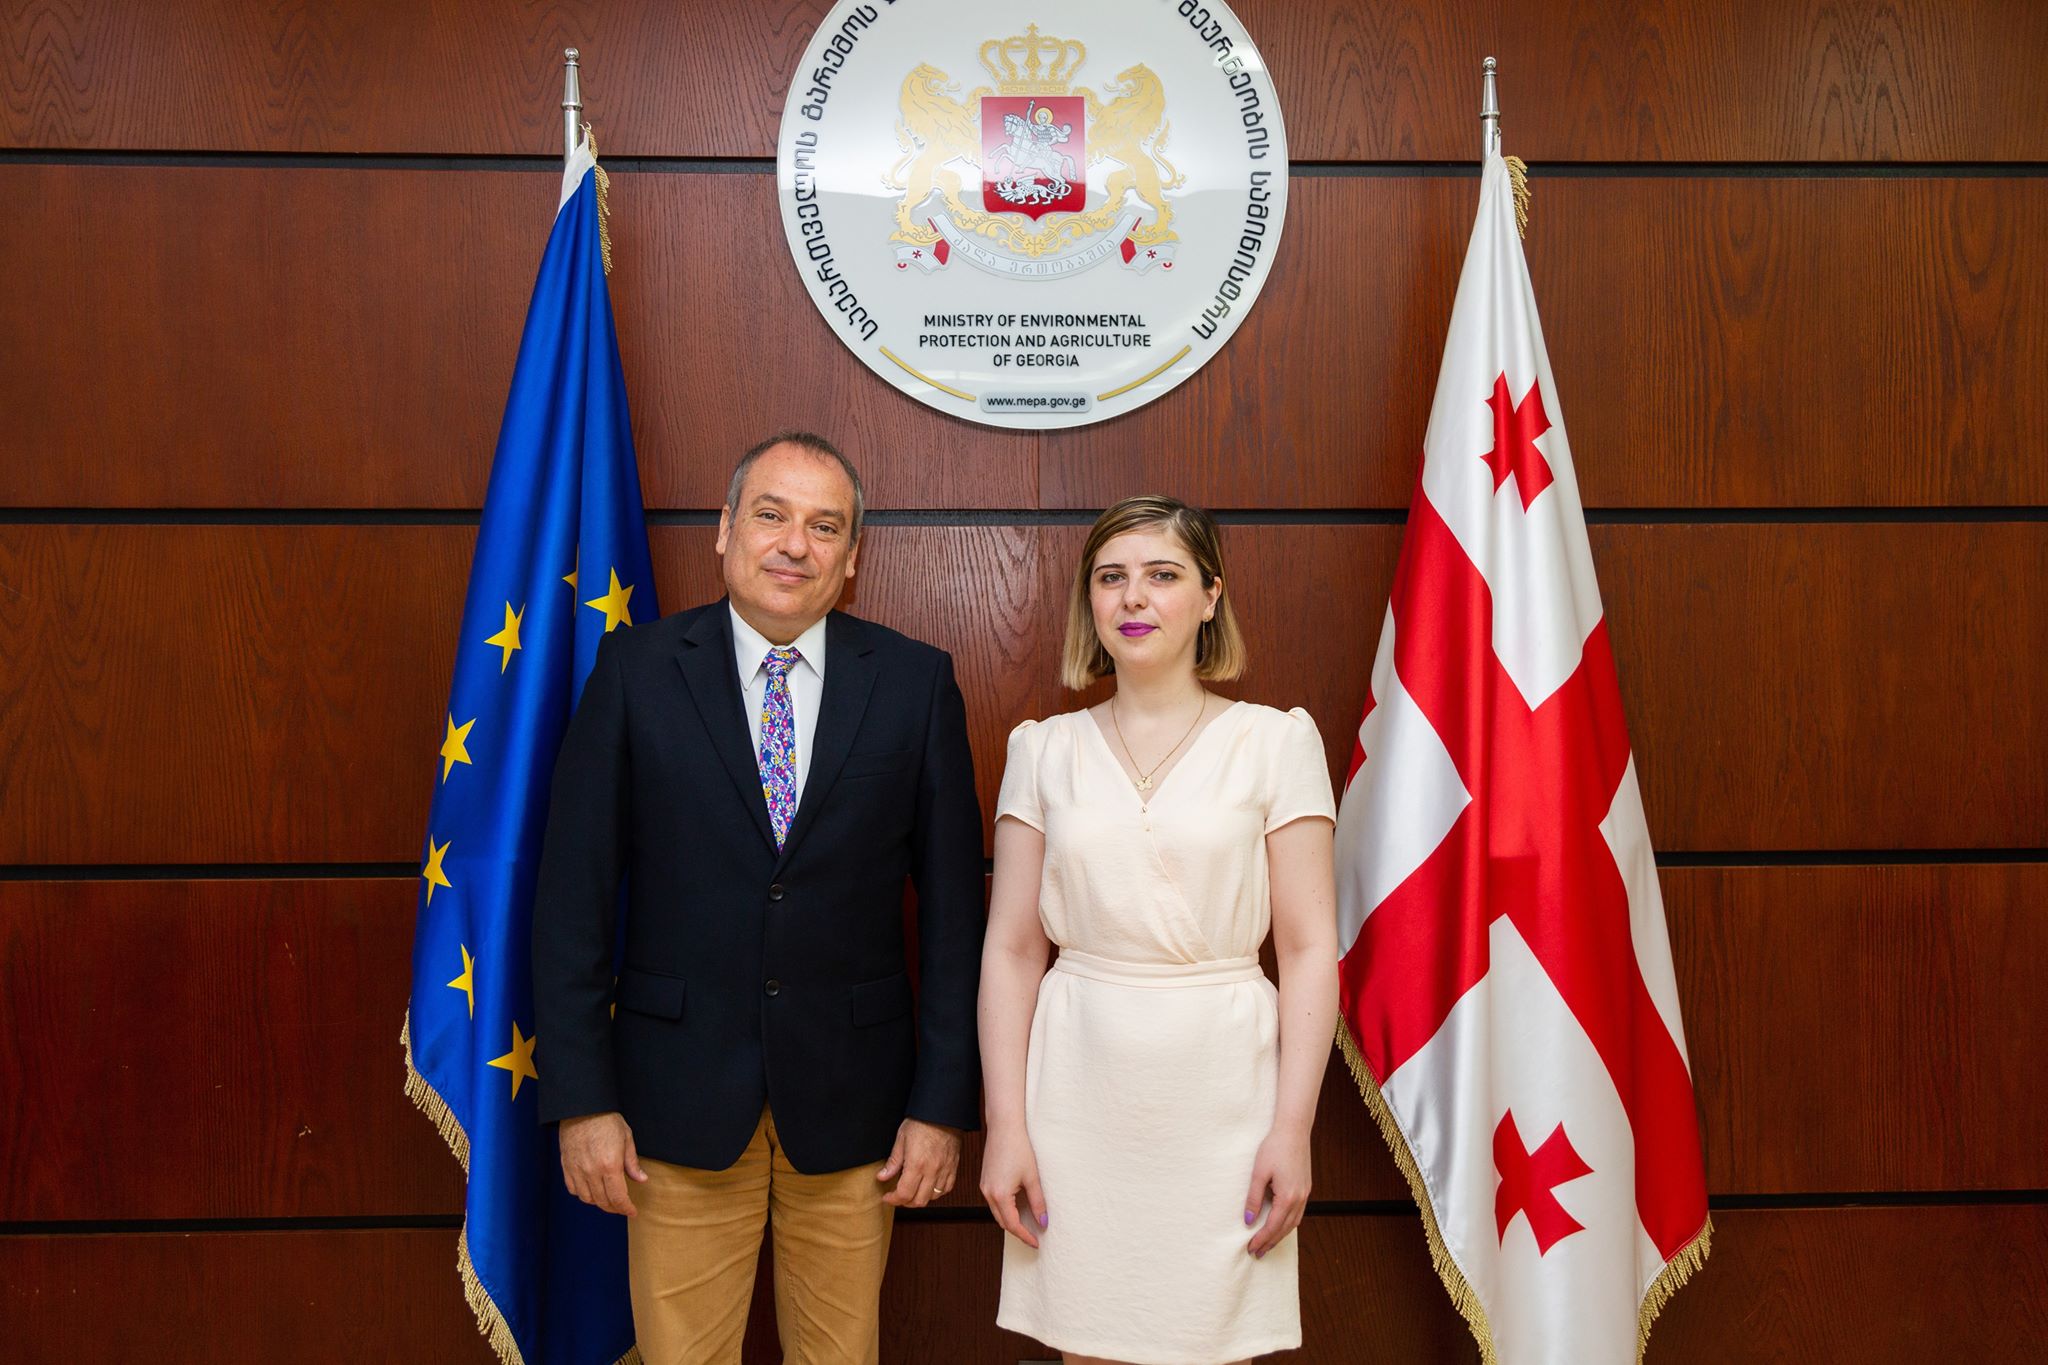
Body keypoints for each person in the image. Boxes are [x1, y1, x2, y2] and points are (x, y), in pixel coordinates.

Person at [531, 432, 985, 1365]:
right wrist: (582, 1101)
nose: (794, 544)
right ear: (726, 528)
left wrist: (941, 1105)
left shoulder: (914, 683)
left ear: (852, 557)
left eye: (826, 526)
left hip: (857, 1112)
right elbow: (572, 901)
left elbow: (953, 921)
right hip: (673, 1109)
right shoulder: (635, 671)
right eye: (772, 515)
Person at [978, 494, 1340, 1364]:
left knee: (1214, 1343)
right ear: (1090, 602)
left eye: (1163, 574)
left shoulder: (1275, 743)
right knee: (1087, 1343)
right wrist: (1006, 1125)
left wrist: (1292, 1128)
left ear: (1211, 596)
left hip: (1225, 1098)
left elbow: (1306, 950)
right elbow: (1013, 950)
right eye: (1112, 577)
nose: (1134, 597)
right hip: (1078, 1096)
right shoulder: (1044, 749)